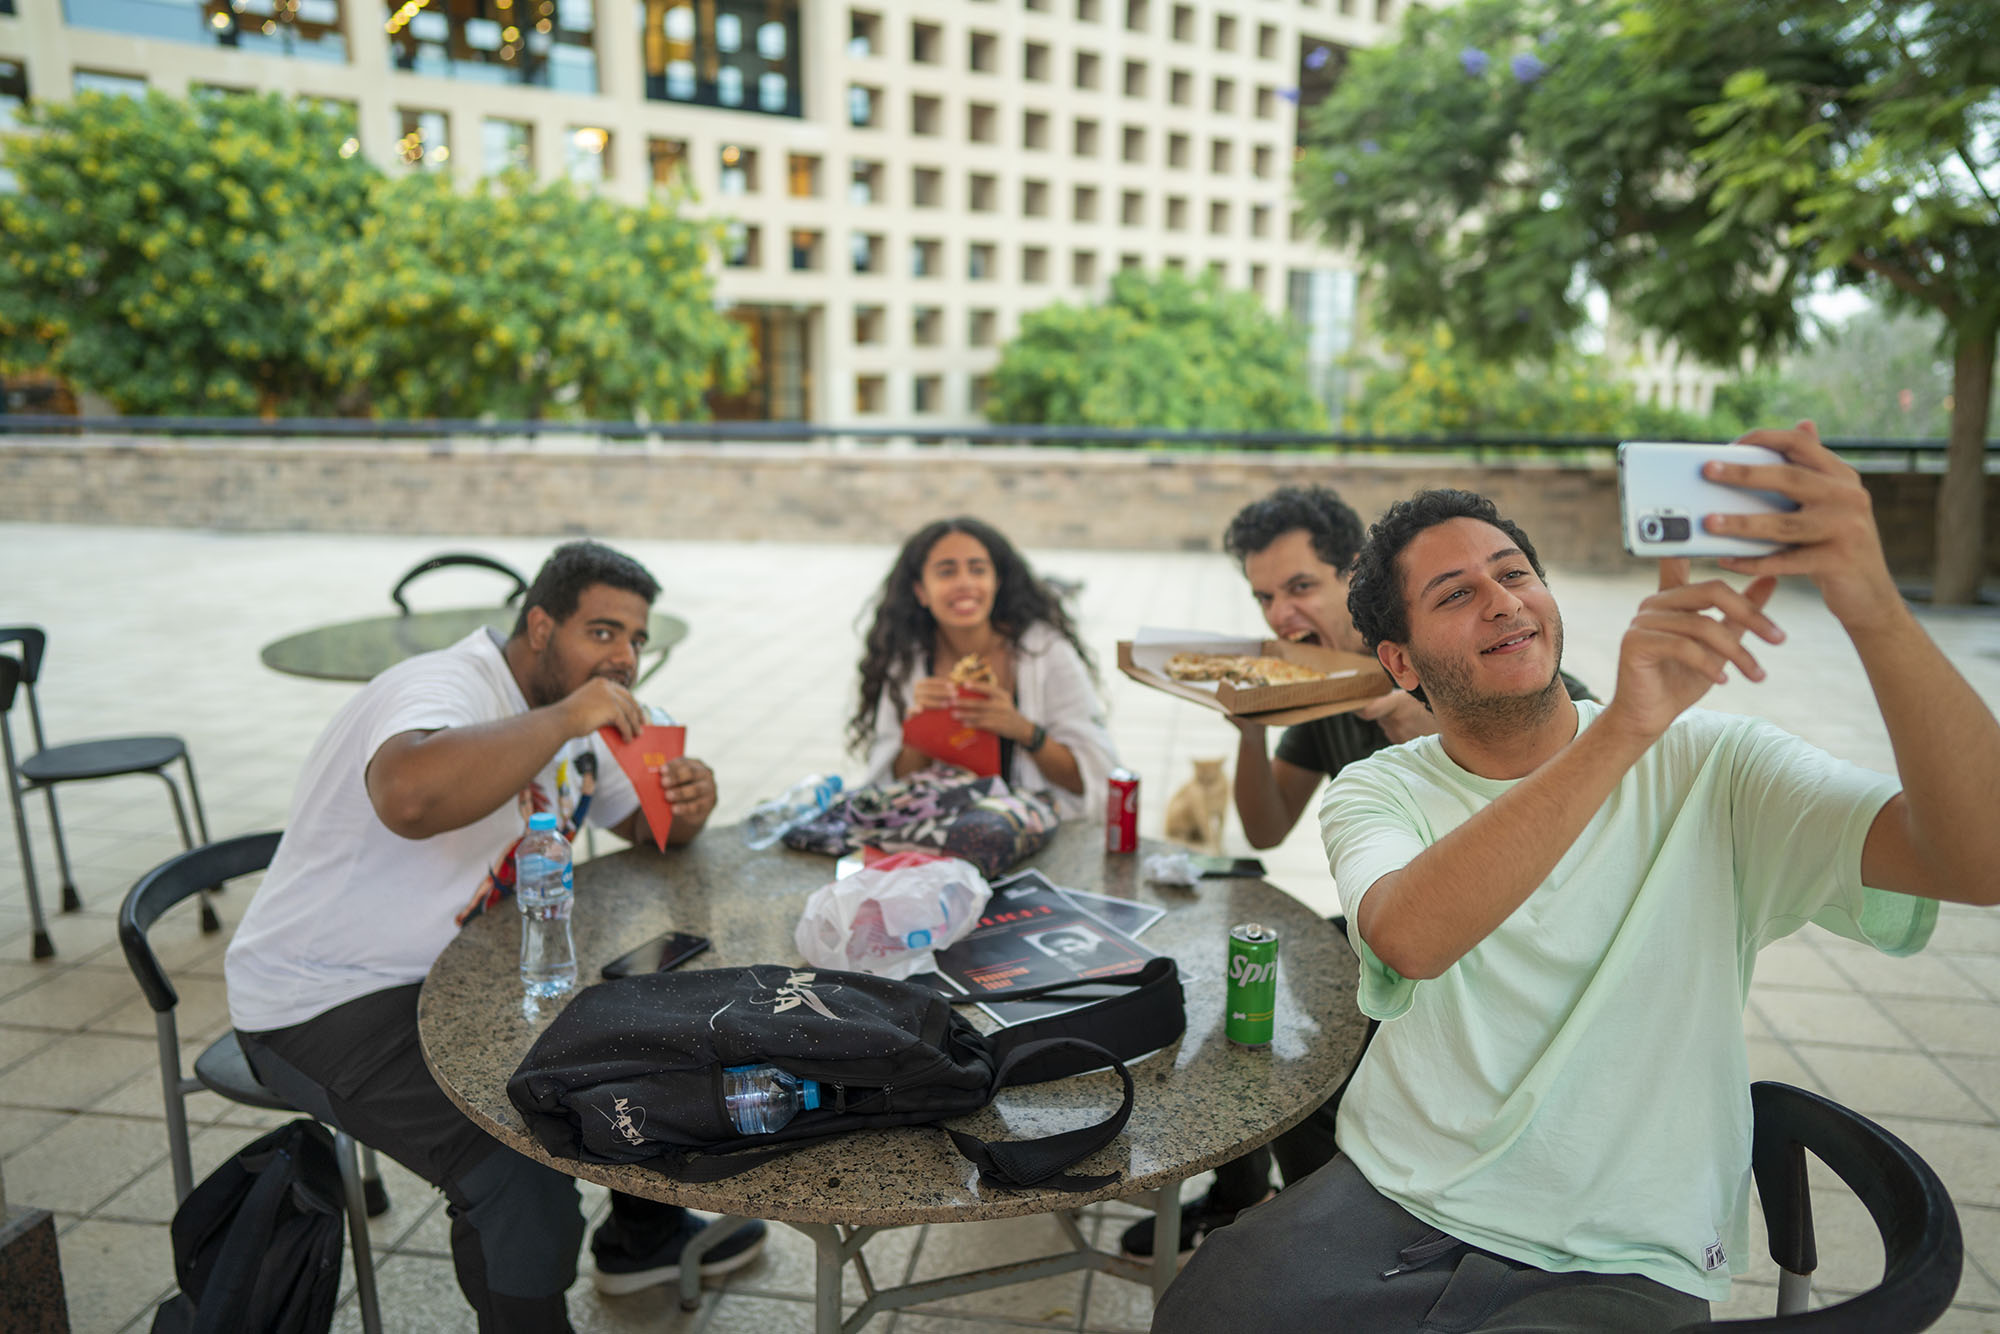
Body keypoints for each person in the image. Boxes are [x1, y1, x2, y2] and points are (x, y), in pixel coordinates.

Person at [1159, 425, 2000, 1330]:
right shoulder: (1377, 788)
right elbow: (1408, 934)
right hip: (1392, 1192)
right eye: (1455, 592)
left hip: (1619, 1244)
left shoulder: (1715, 764)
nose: (1500, 600)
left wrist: (1871, 602)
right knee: (1197, 1310)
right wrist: (1622, 729)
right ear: (1399, 660)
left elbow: (1977, 860)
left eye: (1515, 573)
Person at [224, 541, 765, 1333]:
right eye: (603, 632)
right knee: (516, 1163)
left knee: (655, 1021)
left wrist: (691, 800)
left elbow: (657, 829)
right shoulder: (444, 685)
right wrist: (566, 717)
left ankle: (640, 1238)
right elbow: (408, 796)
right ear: (541, 626)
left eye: (636, 641)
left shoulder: (578, 713)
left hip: (469, 975)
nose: (624, 659)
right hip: (323, 997)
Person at [1119, 487, 1594, 1261]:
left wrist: (1436, 726)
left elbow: (1583, 830)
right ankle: (1246, 1195)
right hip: (1390, 926)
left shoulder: (1502, 684)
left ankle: (1334, 1231)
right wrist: (1246, 722)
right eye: (1264, 596)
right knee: (1233, 975)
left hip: (1497, 956)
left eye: (1299, 588)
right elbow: (1267, 826)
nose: (1278, 617)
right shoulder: (1329, 683)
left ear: (1358, 578)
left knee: (1306, 1062)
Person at [851, 516, 1117, 820]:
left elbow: (1095, 780)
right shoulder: (907, 663)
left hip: (1036, 834)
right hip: (942, 837)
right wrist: (923, 733)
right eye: (946, 571)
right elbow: (890, 791)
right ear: (921, 591)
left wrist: (1023, 730)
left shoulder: (1045, 653)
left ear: (997, 582)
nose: (965, 583)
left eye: (978, 569)